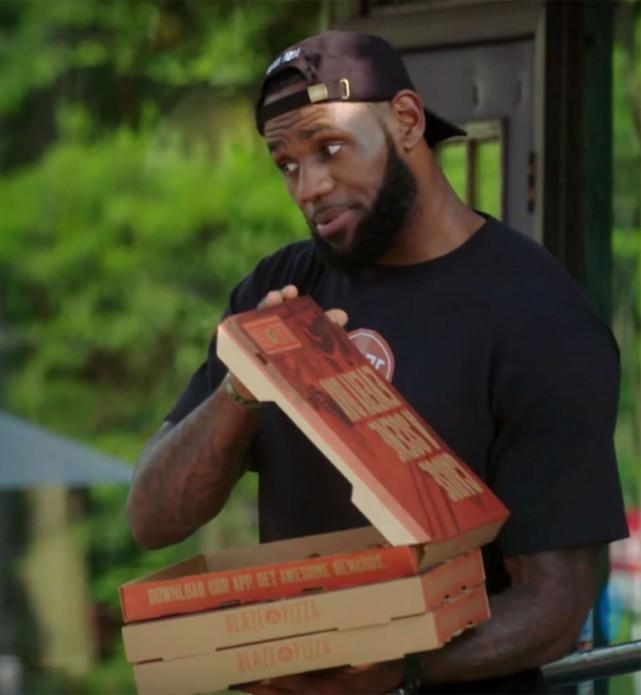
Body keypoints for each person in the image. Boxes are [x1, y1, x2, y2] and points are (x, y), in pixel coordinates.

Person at [126, 31, 629, 694]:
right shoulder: (281, 288)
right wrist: (239, 393)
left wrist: (398, 671)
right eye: (286, 164)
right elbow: (152, 520)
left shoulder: (536, 316)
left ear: (407, 121)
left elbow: (554, 604)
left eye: (329, 148)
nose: (309, 186)